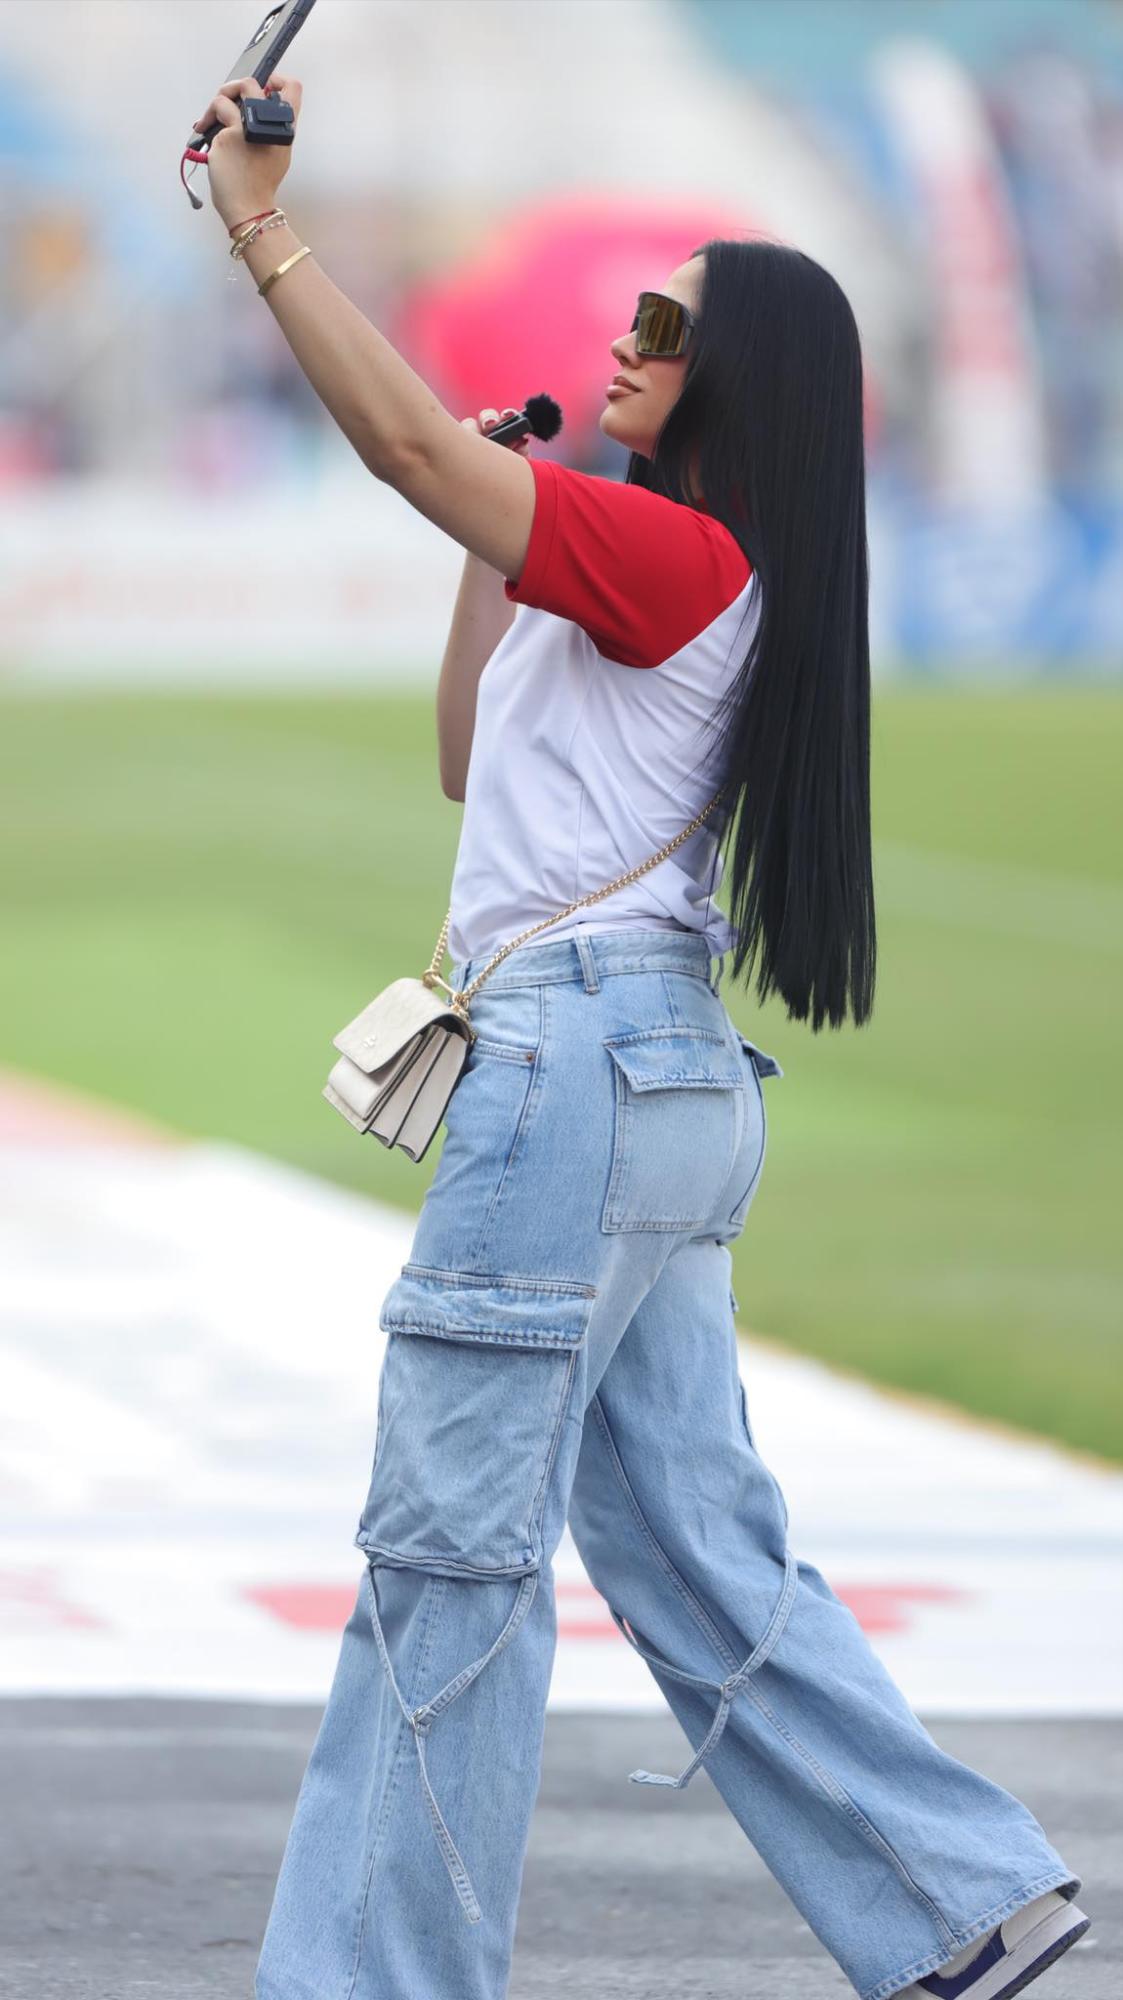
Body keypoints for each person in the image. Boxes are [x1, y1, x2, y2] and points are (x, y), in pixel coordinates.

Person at [191, 70, 1089, 2000]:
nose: (624, 339)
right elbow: (463, 754)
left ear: (732, 374)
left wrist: (270, 232)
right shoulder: (648, 562)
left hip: (574, 1080)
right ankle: (958, 1902)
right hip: (651, 1081)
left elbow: (411, 449)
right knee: (695, 1556)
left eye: (665, 325)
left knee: (451, 1561)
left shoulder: (677, 561)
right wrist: (488, 538)